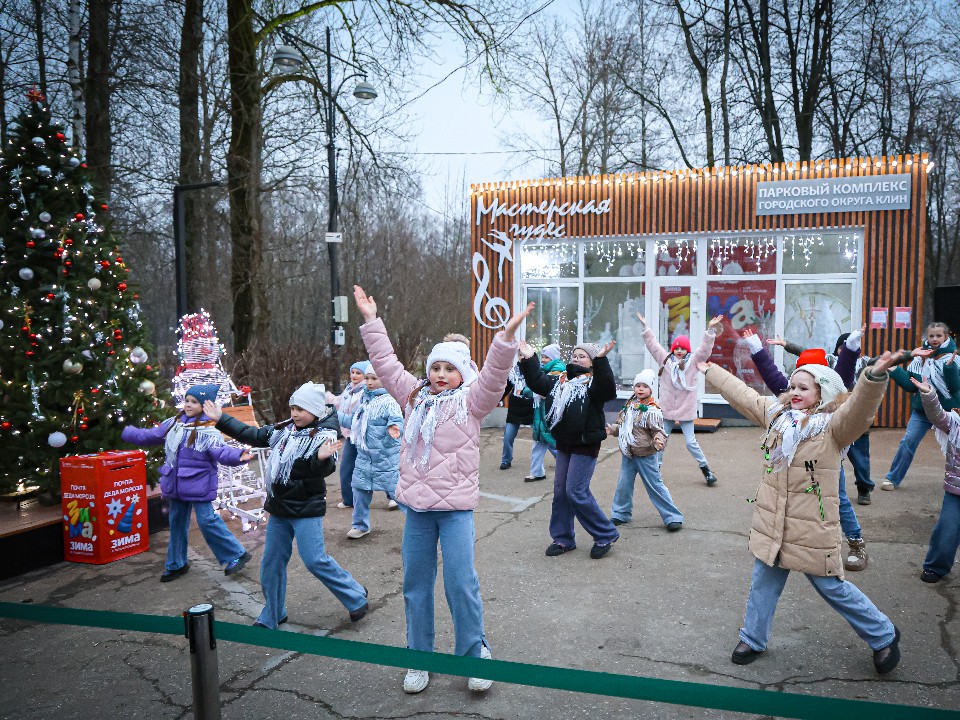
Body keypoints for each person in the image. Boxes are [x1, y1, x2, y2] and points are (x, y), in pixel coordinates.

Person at [354, 284, 530, 695]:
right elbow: (385, 362)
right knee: (415, 585)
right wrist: (370, 320)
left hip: (455, 511)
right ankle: (420, 658)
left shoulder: (471, 402)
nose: (440, 375)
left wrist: (504, 341)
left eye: (449, 369)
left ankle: (474, 653)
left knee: (459, 582)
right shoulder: (413, 397)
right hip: (417, 510)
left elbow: (493, 377)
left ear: (461, 373)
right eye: (435, 368)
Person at [698, 351, 903, 674]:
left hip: (812, 527)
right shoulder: (778, 416)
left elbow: (860, 410)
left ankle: (883, 634)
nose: (795, 392)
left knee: (832, 587)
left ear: (823, 394)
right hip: (773, 522)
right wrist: (710, 371)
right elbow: (745, 396)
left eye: (804, 388)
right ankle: (753, 637)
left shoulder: (834, 427)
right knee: (762, 582)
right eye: (793, 386)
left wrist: (873, 377)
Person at [205, 382, 369, 628]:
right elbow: (254, 435)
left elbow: (321, 469)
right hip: (279, 507)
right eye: (292, 408)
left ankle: (355, 596)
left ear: (314, 410)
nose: (294, 413)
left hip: (306, 509)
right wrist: (222, 419)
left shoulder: (324, 437)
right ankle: (273, 612)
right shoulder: (284, 430)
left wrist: (318, 459)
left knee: (314, 560)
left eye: (301, 409)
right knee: (271, 562)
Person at [742, 331, 871, 572]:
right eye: (797, 381)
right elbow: (772, 375)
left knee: (837, 498)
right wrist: (756, 349)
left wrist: (852, 348)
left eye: (810, 379)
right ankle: (789, 542)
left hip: (826, 455)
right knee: (793, 499)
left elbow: (844, 371)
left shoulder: (833, 391)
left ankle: (855, 542)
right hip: (794, 459)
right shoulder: (794, 392)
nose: (798, 389)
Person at [121, 383, 253, 582]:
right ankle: (177, 564)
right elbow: (151, 435)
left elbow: (222, 452)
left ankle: (235, 554)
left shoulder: (208, 430)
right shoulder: (173, 423)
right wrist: (127, 431)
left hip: (198, 484)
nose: (189, 405)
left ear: (205, 406)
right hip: (175, 484)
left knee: (207, 520)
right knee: (176, 523)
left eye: (194, 402)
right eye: (187, 401)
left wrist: (239, 455)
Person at [519, 338, 620, 559]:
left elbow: (608, 389)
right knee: (560, 493)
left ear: (592, 362)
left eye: (582, 356)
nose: (576, 358)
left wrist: (602, 360)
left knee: (576, 491)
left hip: (586, 443)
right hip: (564, 442)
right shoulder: (560, 381)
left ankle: (605, 533)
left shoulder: (593, 383)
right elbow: (537, 381)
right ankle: (563, 538)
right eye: (574, 355)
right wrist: (529, 358)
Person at [770, 327, 878, 505]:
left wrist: (902, 357)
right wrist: (785, 344)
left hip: (849, 420)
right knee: (834, 482)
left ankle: (864, 488)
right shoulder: (825, 365)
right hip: (824, 436)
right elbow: (804, 352)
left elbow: (865, 368)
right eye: (841, 348)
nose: (843, 352)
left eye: (847, 349)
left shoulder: (860, 364)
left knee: (860, 460)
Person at [638, 313, 723, 486]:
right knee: (662, 439)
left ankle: (706, 469)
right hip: (667, 409)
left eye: (682, 348)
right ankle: (656, 471)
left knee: (691, 442)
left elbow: (705, 349)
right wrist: (646, 328)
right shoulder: (666, 361)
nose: (679, 351)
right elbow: (653, 346)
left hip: (686, 410)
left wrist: (710, 330)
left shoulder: (694, 362)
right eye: (676, 348)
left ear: (687, 350)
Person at [883, 322, 959, 490]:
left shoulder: (954, 359)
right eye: (931, 336)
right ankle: (892, 479)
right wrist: (895, 370)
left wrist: (950, 368)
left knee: (956, 447)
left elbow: (955, 388)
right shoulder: (920, 357)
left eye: (939, 335)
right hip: (923, 410)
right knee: (908, 442)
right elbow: (911, 386)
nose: (934, 339)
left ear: (946, 337)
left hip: (948, 411)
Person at [606, 369, 684, 531]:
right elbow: (624, 428)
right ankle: (620, 513)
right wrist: (613, 430)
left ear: (651, 389)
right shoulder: (629, 405)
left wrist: (658, 441)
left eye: (645, 386)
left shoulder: (652, 409)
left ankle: (672, 516)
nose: (640, 389)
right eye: (638, 386)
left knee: (655, 485)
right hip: (628, 453)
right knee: (623, 484)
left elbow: (658, 431)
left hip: (646, 454)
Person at [340, 367, 404, 539]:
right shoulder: (363, 401)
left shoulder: (389, 401)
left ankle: (418, 524)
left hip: (385, 457)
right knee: (359, 491)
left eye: (374, 378)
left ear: (384, 379)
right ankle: (360, 525)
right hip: (364, 457)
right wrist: (333, 416)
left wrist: (395, 427)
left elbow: (397, 419)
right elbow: (353, 422)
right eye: (367, 378)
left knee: (398, 492)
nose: (369, 382)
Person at [912, 373, 960, 583]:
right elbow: (937, 415)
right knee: (947, 531)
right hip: (956, 491)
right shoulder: (956, 422)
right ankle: (936, 566)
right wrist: (929, 394)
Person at [328, 361, 372, 510]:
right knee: (346, 467)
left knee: (377, 467)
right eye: (352, 372)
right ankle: (349, 499)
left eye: (358, 373)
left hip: (366, 435)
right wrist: (326, 399)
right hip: (351, 436)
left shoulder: (367, 391)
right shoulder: (348, 390)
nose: (354, 375)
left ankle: (392, 495)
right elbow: (338, 402)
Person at [527, 344, 564, 482]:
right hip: (541, 413)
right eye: (542, 357)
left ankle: (564, 468)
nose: (543, 360)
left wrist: (533, 391)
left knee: (553, 444)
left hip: (549, 413)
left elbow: (548, 390)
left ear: (553, 357)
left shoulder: (558, 370)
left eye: (546, 357)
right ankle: (537, 472)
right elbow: (535, 387)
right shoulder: (544, 370)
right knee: (539, 443)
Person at [500, 360, 535, 471]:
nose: (522, 357)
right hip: (514, 410)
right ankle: (506, 461)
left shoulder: (535, 372)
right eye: (520, 355)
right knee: (507, 437)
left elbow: (541, 388)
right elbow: (506, 389)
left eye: (524, 355)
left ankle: (559, 457)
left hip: (531, 410)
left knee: (543, 436)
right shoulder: (513, 372)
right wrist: (497, 399)